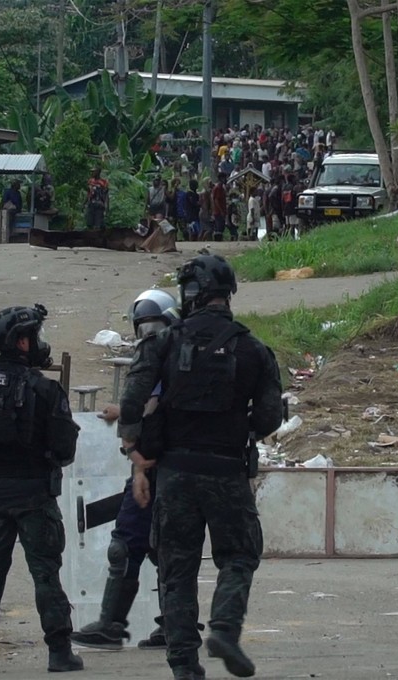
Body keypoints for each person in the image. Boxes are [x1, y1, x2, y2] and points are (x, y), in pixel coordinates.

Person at [117, 254, 283, 680]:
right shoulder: (253, 348)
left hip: (174, 473)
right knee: (240, 555)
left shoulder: (166, 342)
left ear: (190, 293)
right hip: (227, 470)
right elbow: (268, 418)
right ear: (228, 295)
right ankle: (225, 627)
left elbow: (133, 399)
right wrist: (237, 427)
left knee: (176, 569)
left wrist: (134, 449)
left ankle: (184, 666)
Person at [0, 304, 84, 674]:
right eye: (36, 336)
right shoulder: (45, 389)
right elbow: (64, 450)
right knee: (45, 573)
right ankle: (59, 652)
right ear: (23, 341)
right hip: (34, 497)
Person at [71, 290, 181, 652]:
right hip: (181, 465)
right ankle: (171, 625)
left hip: (154, 464)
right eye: (143, 327)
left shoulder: (171, 358)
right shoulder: (185, 357)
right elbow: (155, 403)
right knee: (166, 546)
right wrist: (127, 412)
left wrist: (133, 447)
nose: (148, 334)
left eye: (153, 325)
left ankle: (113, 625)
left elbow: (154, 405)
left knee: (131, 543)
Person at [212, 175, 227, 241]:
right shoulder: (218, 188)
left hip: (221, 210)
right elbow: (216, 200)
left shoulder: (222, 188)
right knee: (219, 226)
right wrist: (221, 211)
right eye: (224, 178)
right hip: (218, 211)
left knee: (221, 226)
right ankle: (218, 240)